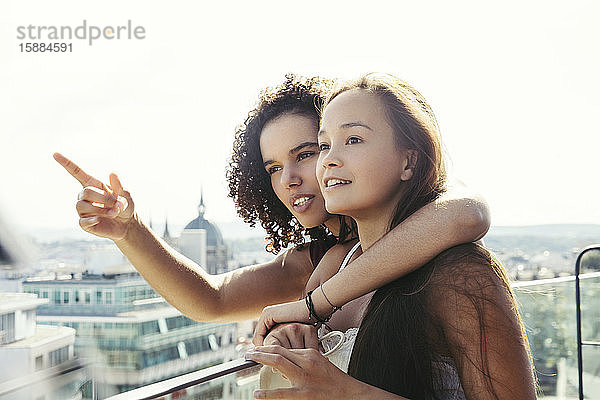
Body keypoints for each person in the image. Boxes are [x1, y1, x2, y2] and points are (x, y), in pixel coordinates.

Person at [53, 74, 489, 333]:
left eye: (305, 153)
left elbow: (466, 212)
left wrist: (313, 306)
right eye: (273, 168)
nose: (291, 179)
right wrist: (129, 230)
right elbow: (212, 300)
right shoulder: (320, 257)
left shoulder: (433, 236)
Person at [245, 74, 536, 400]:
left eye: (353, 139)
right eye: (324, 145)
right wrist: (288, 336)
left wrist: (347, 394)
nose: (329, 160)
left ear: (408, 160)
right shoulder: (335, 266)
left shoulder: (460, 276)